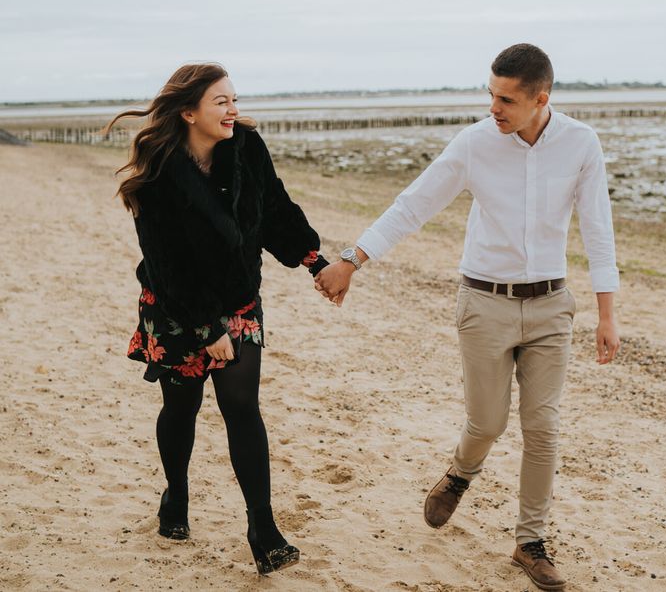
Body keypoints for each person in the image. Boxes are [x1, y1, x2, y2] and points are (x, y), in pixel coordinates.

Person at [314, 44, 620, 591]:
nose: (493, 107)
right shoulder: (476, 143)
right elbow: (414, 204)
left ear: (540, 99)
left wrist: (606, 314)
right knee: (487, 423)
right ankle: (460, 473)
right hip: (484, 303)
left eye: (505, 99)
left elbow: (598, 229)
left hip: (552, 306)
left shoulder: (581, 143)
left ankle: (530, 542)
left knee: (543, 427)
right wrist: (352, 259)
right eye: (491, 94)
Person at [105, 63, 328, 575]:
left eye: (234, 99)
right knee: (181, 408)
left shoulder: (247, 149)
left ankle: (263, 528)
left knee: (240, 403)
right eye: (221, 102)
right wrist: (208, 330)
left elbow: (274, 208)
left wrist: (313, 260)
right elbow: (166, 263)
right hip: (176, 306)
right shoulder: (159, 174)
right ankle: (176, 495)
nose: (233, 110)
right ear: (189, 112)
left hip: (238, 297)